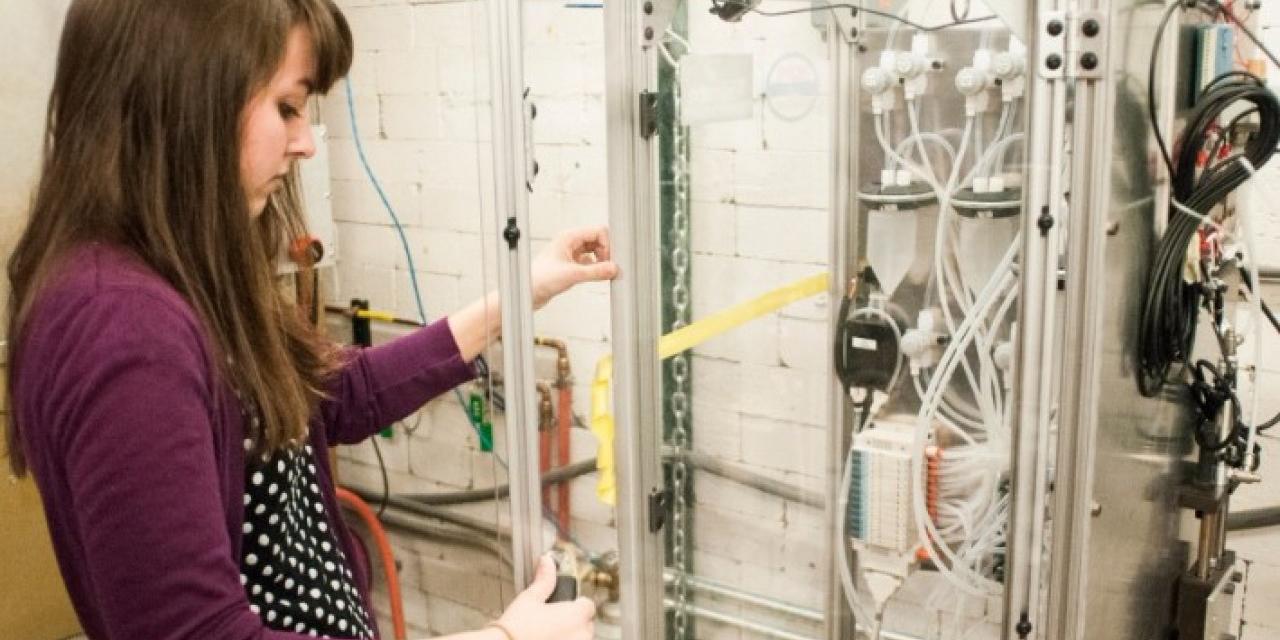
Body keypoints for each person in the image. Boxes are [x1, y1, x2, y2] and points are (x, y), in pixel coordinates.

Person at [2, 1, 615, 639]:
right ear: (186, 99)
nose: (305, 143)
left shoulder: (174, 275)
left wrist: (518, 296)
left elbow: (329, 395)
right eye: (288, 108)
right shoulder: (122, 328)